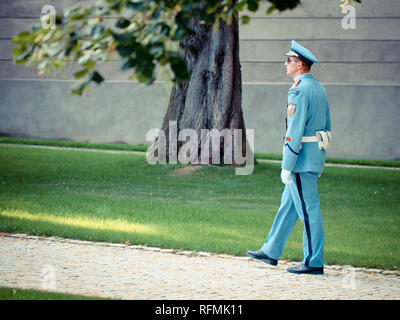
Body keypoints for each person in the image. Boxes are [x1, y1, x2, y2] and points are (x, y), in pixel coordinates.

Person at [247, 40, 331, 275]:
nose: (285, 64)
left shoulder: (299, 90)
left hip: (301, 160)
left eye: (289, 60)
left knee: (308, 210)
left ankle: (313, 261)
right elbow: (327, 125)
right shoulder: (318, 88)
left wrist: (288, 165)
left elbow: (294, 132)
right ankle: (271, 250)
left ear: (301, 65)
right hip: (312, 157)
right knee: (289, 206)